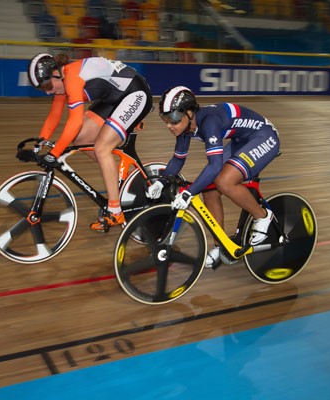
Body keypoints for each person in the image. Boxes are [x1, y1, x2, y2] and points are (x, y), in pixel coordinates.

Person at [147, 86, 279, 268]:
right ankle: (222, 245)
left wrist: (189, 193)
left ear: (190, 112)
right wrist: (161, 182)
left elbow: (215, 165)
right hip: (242, 141)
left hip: (263, 137)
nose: (170, 125)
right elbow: (177, 161)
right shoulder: (185, 129)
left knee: (224, 181)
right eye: (165, 119)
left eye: (174, 119)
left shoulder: (209, 122)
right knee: (209, 190)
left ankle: (262, 216)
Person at [27, 53, 153, 231]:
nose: (47, 91)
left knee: (102, 148)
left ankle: (115, 211)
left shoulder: (72, 78)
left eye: (47, 85)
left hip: (135, 94)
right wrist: (39, 142)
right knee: (80, 138)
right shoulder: (62, 81)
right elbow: (54, 116)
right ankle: (116, 175)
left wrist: (54, 153)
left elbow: (75, 121)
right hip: (114, 99)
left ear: (56, 73)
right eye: (42, 89)